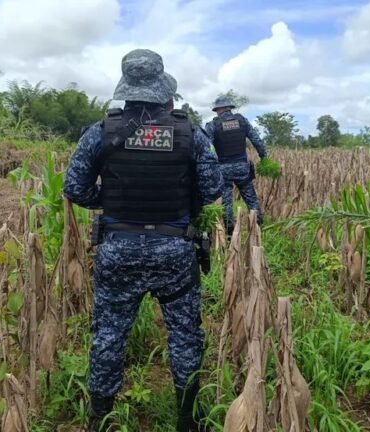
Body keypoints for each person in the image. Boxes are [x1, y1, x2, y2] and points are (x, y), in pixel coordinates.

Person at [64, 48, 223, 432]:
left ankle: (99, 420)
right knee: (185, 336)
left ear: (127, 91)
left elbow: (74, 188)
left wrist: (114, 199)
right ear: (164, 92)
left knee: (109, 334)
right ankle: (189, 421)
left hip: (117, 250)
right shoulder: (190, 133)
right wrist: (183, 202)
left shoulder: (100, 131)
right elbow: (214, 187)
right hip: (175, 250)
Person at [204, 96, 267, 235]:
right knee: (251, 199)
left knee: (226, 203)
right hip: (242, 168)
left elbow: (207, 147)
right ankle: (258, 228)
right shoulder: (242, 121)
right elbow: (257, 140)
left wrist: (210, 166)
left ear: (218, 109)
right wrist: (264, 158)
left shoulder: (212, 125)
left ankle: (230, 234)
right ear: (229, 108)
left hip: (223, 169)